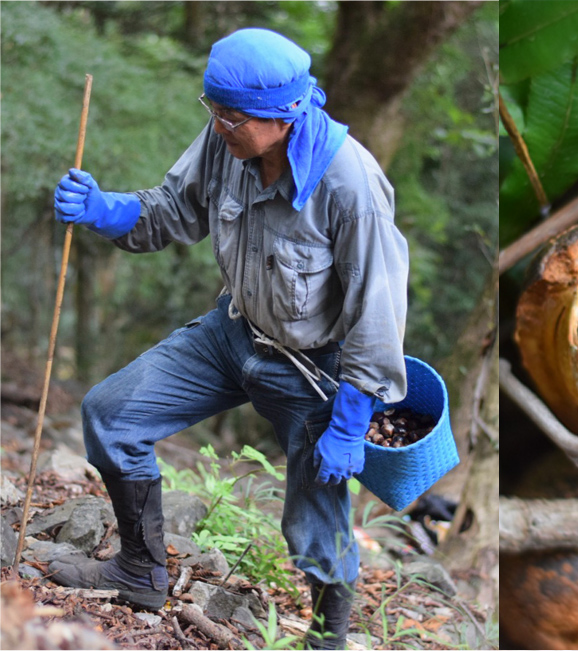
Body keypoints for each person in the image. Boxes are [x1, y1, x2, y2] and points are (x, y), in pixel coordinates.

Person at [49, 27, 408, 650]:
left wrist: (352, 420)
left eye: (231, 116)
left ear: (287, 114)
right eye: (212, 110)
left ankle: (328, 639)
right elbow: (170, 209)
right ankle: (140, 570)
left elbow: (378, 312)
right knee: (110, 414)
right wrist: (104, 209)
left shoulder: (351, 185)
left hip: (312, 368)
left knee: (315, 521)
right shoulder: (229, 142)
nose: (218, 126)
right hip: (233, 333)